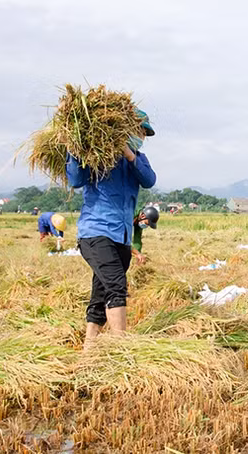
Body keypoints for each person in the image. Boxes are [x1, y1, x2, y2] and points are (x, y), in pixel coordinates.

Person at [67, 109, 156, 348]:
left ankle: (89, 349)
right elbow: (76, 180)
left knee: (101, 293)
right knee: (117, 287)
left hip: (122, 236)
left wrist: (128, 153)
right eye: (139, 131)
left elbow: (149, 179)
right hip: (96, 232)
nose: (142, 137)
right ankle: (121, 348)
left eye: (145, 133)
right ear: (124, 128)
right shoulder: (98, 156)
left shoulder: (138, 159)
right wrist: (74, 149)